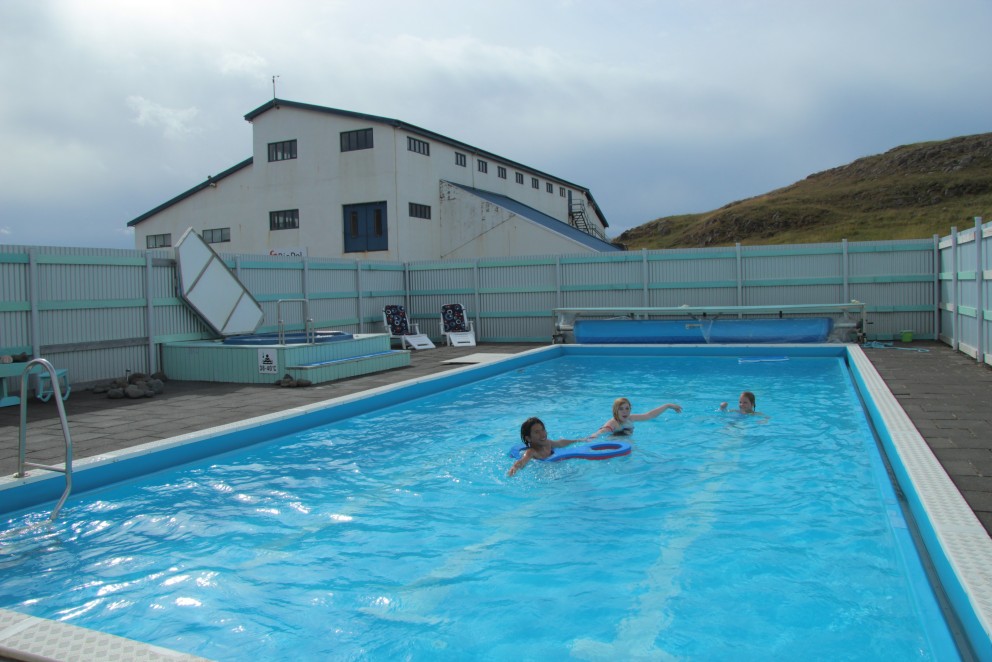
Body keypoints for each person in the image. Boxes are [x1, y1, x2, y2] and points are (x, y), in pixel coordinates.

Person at [508, 417, 588, 476]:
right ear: (528, 438)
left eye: (543, 430)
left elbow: (560, 443)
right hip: (544, 474)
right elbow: (523, 460)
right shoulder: (531, 451)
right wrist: (515, 467)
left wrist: (578, 440)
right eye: (537, 432)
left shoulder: (547, 443)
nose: (542, 434)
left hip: (558, 468)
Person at [589, 397, 682, 438]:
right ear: (615, 411)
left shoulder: (630, 418)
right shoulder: (613, 423)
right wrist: (590, 438)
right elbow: (600, 432)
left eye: (627, 408)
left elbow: (650, 415)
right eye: (621, 409)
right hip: (615, 446)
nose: (625, 411)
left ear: (630, 409)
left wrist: (667, 405)